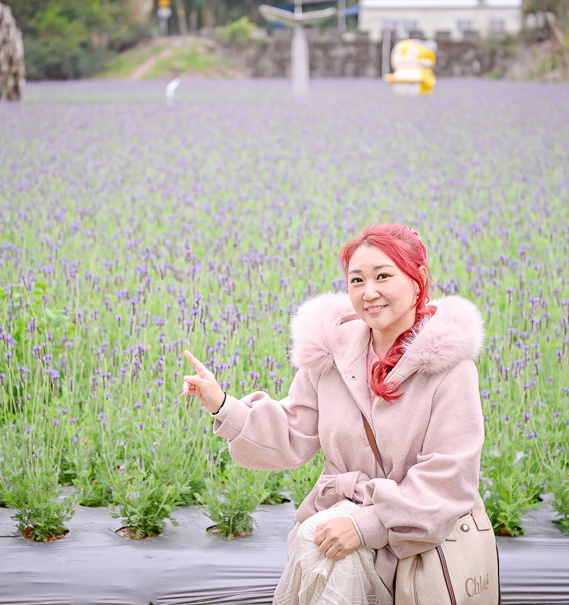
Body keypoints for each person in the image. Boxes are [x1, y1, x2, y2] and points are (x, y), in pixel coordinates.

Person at [181, 223, 485, 604]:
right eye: (356, 280)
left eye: (383, 276)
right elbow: (292, 434)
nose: (368, 292)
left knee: (321, 545)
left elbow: (447, 479)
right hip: (332, 531)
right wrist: (221, 403)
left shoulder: (450, 370)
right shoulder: (332, 356)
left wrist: (365, 525)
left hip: (413, 543)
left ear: (418, 279)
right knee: (321, 545)